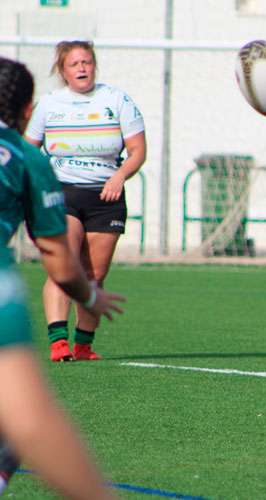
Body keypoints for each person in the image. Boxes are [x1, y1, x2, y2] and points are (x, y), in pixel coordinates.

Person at [0, 56, 123, 499]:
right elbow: (58, 260)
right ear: (28, 110)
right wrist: (89, 295)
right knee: (21, 419)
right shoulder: (25, 158)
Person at [25, 40, 146, 362]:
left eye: (87, 62)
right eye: (74, 64)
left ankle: (83, 346)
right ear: (62, 71)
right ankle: (57, 341)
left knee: (94, 276)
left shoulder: (116, 99)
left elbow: (137, 151)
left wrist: (119, 176)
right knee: (65, 265)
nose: (82, 68)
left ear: (94, 66)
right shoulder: (50, 105)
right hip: (62, 193)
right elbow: (28, 150)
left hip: (106, 197)